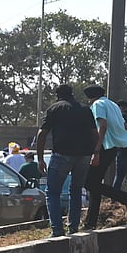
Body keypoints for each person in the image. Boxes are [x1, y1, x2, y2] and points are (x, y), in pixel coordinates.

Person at [36, 84, 100, 237]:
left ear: (58, 95)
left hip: (61, 155)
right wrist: (96, 153)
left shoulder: (54, 109)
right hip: (84, 155)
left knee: (52, 192)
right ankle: (73, 227)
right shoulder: (85, 109)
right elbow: (95, 134)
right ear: (72, 94)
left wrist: (40, 159)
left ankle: (57, 229)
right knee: (76, 190)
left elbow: (42, 134)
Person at [83, 85, 127, 230]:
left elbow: (102, 125)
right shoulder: (113, 105)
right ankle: (90, 223)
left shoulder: (97, 105)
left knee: (89, 182)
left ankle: (126, 197)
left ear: (90, 97)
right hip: (113, 146)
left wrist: (96, 151)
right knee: (95, 185)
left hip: (103, 146)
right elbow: (125, 125)